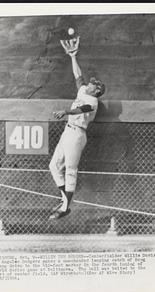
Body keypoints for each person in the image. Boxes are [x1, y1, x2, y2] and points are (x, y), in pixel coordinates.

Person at [49, 36, 105, 219]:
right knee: (54, 166)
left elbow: (83, 109)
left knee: (71, 170)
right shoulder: (83, 90)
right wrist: (73, 57)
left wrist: (66, 111)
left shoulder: (94, 100)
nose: (89, 83)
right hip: (68, 131)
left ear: (96, 90)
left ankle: (65, 207)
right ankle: (65, 202)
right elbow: (78, 76)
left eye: (93, 84)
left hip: (78, 134)